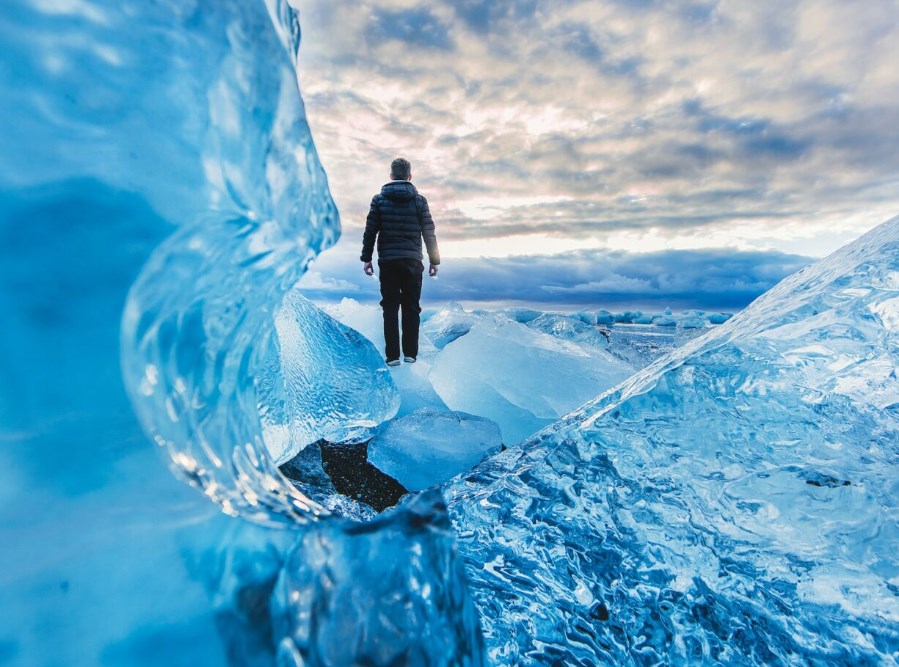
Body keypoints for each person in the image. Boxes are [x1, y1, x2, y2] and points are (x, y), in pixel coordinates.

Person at [361, 157, 440, 366]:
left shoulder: (379, 200)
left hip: (388, 261)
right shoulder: (420, 201)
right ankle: (411, 354)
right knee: (411, 307)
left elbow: (370, 231)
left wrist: (367, 258)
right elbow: (428, 232)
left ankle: (393, 356)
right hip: (413, 261)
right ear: (409, 176)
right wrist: (434, 260)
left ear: (391, 176)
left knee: (390, 308)